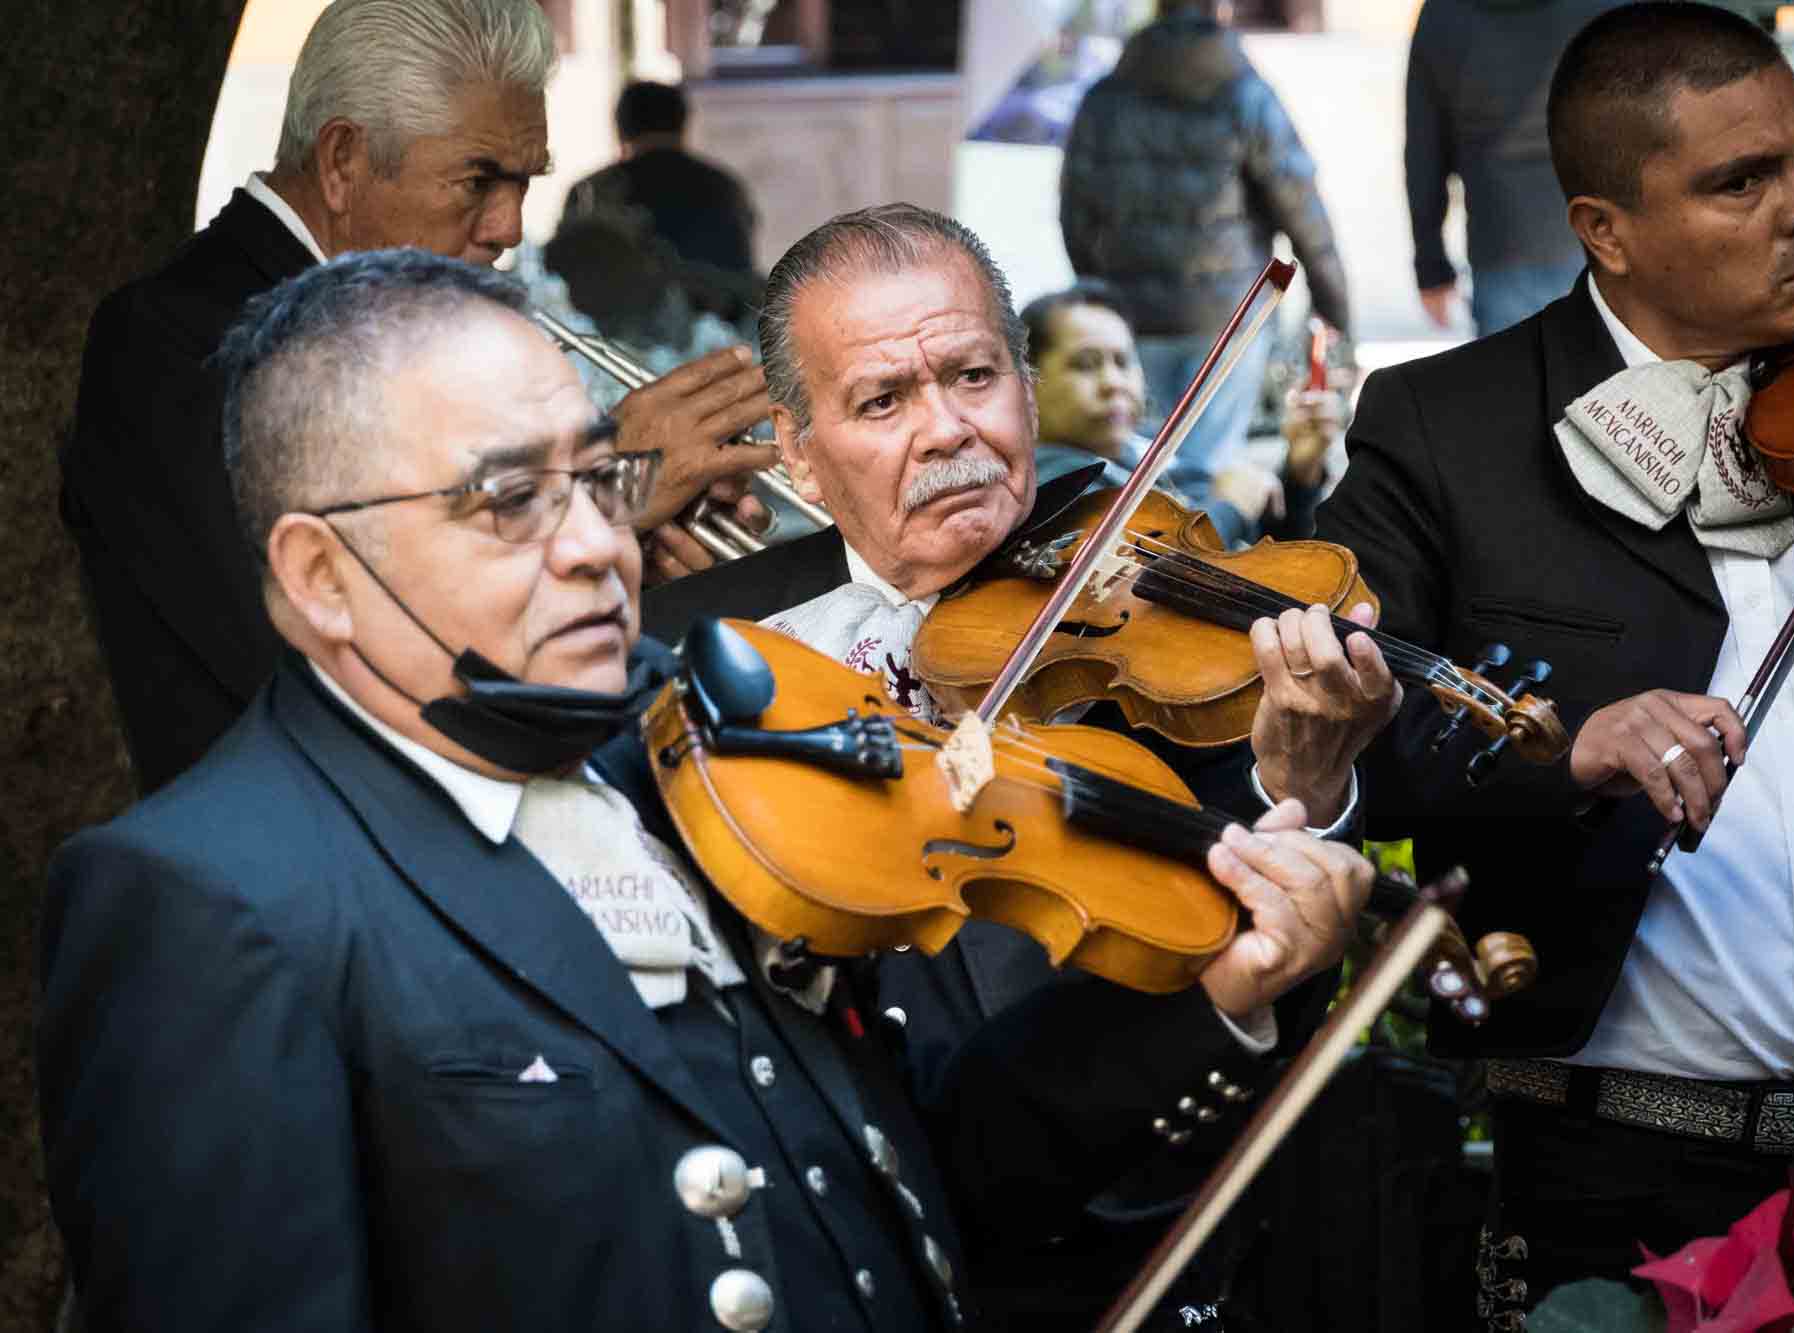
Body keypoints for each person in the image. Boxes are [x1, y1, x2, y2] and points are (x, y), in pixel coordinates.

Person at [37, 246, 1374, 1333]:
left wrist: (1211, 998)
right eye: (510, 501)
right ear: (322, 576)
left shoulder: (688, 758)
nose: (595, 548)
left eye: (598, 478)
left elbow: (927, 1167)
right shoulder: (203, 897)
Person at [1310, 3, 1794, 1323]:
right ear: (1604, 231)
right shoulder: (1447, 429)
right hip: (1621, 1176)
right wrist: (1563, 744)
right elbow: (1362, 714)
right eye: (1741, 181)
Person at [642, 202, 1402, 1325]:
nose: (946, 429)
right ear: (797, 449)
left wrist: (1306, 791)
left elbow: (1246, 945)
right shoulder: (688, 645)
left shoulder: (1145, 608)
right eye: (882, 400)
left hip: (1131, 1231)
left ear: (1025, 393)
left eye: (971, 376)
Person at [62, 0, 769, 796]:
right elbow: (326, 663)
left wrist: (619, 566)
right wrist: (608, 494)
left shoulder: (409, 318)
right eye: (479, 180)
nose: (508, 225)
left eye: (524, 182)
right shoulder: (168, 339)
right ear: (341, 162)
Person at [1058, 0, 1349, 503]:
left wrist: (1102, 293)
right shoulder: (1246, 93)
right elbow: (1300, 205)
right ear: (1220, 9)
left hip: (1133, 316)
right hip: (1228, 320)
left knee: (1144, 479)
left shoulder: (1105, 96)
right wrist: (1333, 306)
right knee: (1210, 475)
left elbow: (1075, 212)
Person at [1023, 279, 1350, 547]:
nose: (1113, 383)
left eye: (1123, 362)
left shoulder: (1151, 451)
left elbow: (1275, 551)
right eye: (1086, 364)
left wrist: (1299, 472)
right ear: (1028, 383)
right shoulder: (1048, 483)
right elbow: (1140, 578)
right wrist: (1227, 509)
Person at [1404, 0, 1621, 337]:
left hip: (1500, 248)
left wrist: (1431, 266)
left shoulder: (1443, 13)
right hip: (1602, 242)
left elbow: (1424, 151)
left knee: (1511, 386)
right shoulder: (1609, 8)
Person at [557, 79, 761, 323]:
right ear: (684, 124)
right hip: (725, 334)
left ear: (620, 128)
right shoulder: (727, 187)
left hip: (616, 348)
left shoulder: (591, 190)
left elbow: (564, 280)